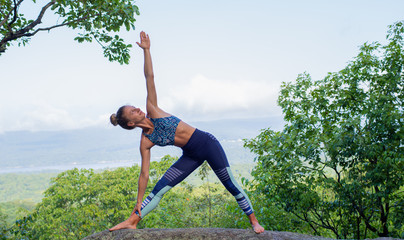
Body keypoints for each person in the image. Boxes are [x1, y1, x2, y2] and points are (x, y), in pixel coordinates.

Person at [109, 31, 265, 234]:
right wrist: (138, 200)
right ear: (130, 123)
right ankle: (133, 220)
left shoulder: (153, 110)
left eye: (135, 107)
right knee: (159, 189)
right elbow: (144, 173)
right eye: (133, 111)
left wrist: (147, 51)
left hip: (207, 144)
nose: (137, 109)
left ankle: (253, 221)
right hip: (190, 156)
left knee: (230, 184)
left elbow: (150, 77)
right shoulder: (146, 141)